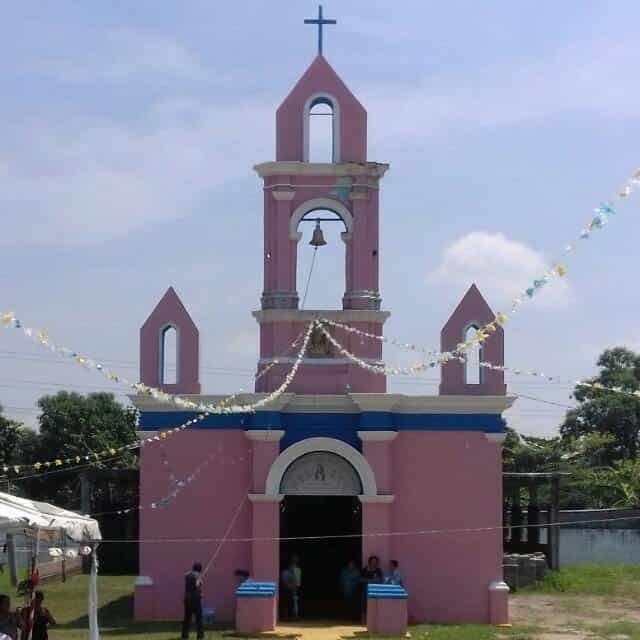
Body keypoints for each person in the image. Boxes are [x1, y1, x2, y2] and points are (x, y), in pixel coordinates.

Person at [182, 562, 204, 640]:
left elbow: (187, 577)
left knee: (187, 618)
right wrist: (200, 581)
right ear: (200, 569)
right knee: (199, 619)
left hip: (187, 599)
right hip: (195, 600)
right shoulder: (198, 575)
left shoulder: (187, 574)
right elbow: (197, 585)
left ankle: (185, 636)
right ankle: (200, 636)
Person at [360, 556, 383, 622]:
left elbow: (381, 580)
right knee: (364, 604)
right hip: (365, 589)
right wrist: (369, 580)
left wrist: (375, 580)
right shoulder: (365, 569)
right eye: (373, 561)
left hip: (376, 590)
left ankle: (373, 621)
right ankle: (363, 621)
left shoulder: (378, 571)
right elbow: (360, 579)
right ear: (369, 562)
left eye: (375, 561)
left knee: (374, 605)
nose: (374, 563)